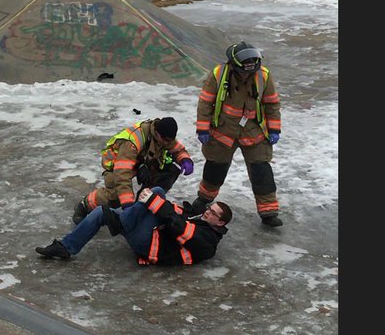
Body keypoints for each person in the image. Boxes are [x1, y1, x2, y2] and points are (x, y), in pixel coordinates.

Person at [190, 40, 283, 227]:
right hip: (223, 131)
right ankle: (204, 199)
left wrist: (274, 129)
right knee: (215, 167)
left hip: (253, 132)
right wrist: (203, 128)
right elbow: (206, 102)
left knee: (261, 171)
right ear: (234, 64)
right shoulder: (219, 74)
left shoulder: (263, 75)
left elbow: (272, 104)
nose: (247, 74)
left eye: (250, 70)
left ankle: (268, 212)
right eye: (244, 70)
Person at [36, 186, 231, 267]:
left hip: (149, 247)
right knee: (99, 213)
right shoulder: (201, 221)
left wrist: (154, 201)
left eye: (214, 213)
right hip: (149, 236)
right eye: (210, 209)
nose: (208, 212)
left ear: (220, 223)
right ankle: (65, 247)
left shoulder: (208, 242)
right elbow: (176, 215)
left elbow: (178, 228)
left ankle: (123, 221)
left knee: (157, 193)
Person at [72, 115, 194, 224]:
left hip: (141, 162)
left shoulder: (164, 135)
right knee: (116, 195)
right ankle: (85, 205)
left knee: (171, 170)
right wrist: (128, 204)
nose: (167, 143)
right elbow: (122, 176)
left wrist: (185, 160)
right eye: (166, 140)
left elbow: (178, 149)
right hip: (116, 165)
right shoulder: (132, 142)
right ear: (157, 133)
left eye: (170, 140)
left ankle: (144, 203)